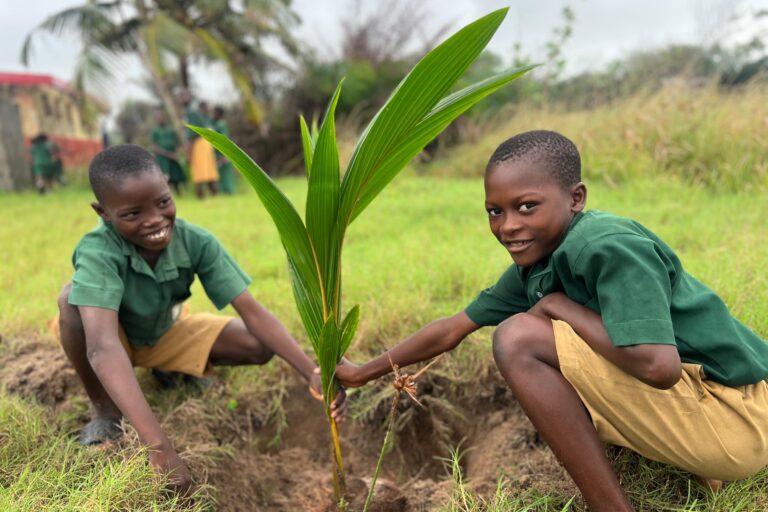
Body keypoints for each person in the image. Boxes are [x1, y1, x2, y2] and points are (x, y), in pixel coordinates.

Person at [335, 130, 768, 511]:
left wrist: (563, 308)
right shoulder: (542, 261)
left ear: (576, 198)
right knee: (529, 333)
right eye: (494, 211)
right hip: (709, 412)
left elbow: (659, 367)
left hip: (739, 419)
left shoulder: (607, 248)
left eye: (527, 207)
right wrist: (359, 373)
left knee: (519, 338)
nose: (508, 226)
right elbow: (453, 327)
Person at [56, 144, 344, 493]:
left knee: (256, 344)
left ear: (170, 190)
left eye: (162, 203)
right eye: (132, 214)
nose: (154, 220)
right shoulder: (98, 251)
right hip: (114, 340)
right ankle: (104, 412)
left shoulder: (196, 241)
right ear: (103, 213)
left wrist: (309, 369)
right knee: (70, 302)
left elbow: (252, 312)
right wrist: (159, 447)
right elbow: (102, 347)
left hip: (164, 331)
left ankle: (170, 370)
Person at [180, 90, 219, 199]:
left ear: (189, 97)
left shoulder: (191, 111)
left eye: (184, 96)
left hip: (198, 143)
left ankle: (202, 197)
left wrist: (189, 151)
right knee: (208, 170)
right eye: (181, 96)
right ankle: (214, 196)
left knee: (199, 172)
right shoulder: (193, 110)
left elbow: (193, 133)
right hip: (204, 142)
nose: (182, 98)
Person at [150, 109, 187, 195]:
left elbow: (177, 143)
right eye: (158, 118)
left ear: (164, 118)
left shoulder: (171, 130)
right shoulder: (155, 131)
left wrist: (177, 153)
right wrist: (168, 154)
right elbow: (155, 147)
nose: (160, 119)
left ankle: (180, 194)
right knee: (166, 178)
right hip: (163, 158)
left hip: (173, 156)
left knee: (176, 176)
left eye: (161, 117)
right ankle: (167, 195)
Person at [212, 105, 236, 195]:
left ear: (218, 113)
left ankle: (229, 191)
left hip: (223, 153)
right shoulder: (217, 124)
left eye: (214, 112)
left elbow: (224, 138)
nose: (212, 114)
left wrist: (224, 155)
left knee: (226, 173)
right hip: (219, 154)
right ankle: (225, 191)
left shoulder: (221, 124)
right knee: (222, 173)